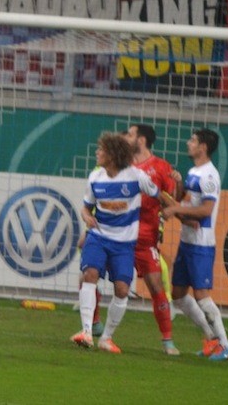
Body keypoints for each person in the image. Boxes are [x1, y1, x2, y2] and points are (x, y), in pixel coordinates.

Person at [71, 132, 158, 354]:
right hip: (99, 237)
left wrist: (171, 206)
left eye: (101, 150)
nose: (97, 153)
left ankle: (107, 338)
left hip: (124, 244)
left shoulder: (135, 176)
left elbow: (157, 193)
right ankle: (87, 332)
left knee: (121, 289)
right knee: (90, 274)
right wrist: (86, 216)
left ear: (113, 154)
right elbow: (86, 206)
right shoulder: (95, 178)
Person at [162, 128, 228, 361]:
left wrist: (175, 209)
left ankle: (224, 346)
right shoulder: (194, 171)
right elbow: (186, 198)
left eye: (192, 140)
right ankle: (210, 339)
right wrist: (179, 185)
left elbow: (206, 210)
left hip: (201, 243)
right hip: (187, 240)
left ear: (203, 147)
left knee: (202, 294)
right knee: (179, 294)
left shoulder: (210, 175)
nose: (188, 143)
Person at [125, 124, 181, 355]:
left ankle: (167, 341)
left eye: (130, 134)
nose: (126, 137)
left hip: (145, 238)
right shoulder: (121, 164)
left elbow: (171, 200)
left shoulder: (161, 167)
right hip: (118, 236)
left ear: (141, 140)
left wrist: (177, 186)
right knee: (90, 274)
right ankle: (92, 327)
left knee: (156, 287)